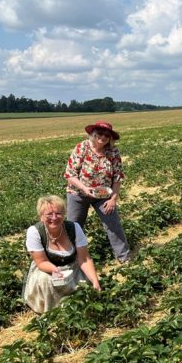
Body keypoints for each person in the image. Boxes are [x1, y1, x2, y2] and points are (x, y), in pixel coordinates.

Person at [64, 121, 131, 263]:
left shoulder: (113, 152)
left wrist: (113, 199)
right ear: (93, 134)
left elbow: (117, 177)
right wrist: (84, 188)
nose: (103, 137)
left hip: (103, 196)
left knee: (113, 225)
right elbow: (70, 174)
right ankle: (70, 259)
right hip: (78, 193)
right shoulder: (82, 147)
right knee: (73, 226)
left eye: (107, 135)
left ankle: (124, 258)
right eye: (100, 133)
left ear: (110, 138)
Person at [23, 195, 101, 313]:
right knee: (47, 281)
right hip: (47, 268)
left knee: (88, 286)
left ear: (64, 214)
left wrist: (95, 280)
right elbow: (41, 262)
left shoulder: (74, 228)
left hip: (72, 267)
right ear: (41, 216)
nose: (54, 218)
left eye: (58, 213)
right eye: (49, 214)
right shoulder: (35, 232)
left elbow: (84, 258)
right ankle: (51, 313)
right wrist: (55, 270)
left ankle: (78, 310)